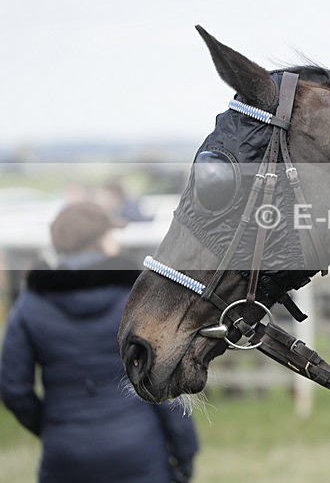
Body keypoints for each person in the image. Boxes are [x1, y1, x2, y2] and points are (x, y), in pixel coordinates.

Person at [0, 201, 199, 483]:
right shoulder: (134, 301)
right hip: (138, 449)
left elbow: (14, 389)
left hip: (66, 455)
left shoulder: (30, 305)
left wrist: (54, 427)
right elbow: (162, 380)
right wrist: (185, 450)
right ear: (98, 241)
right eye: (109, 234)